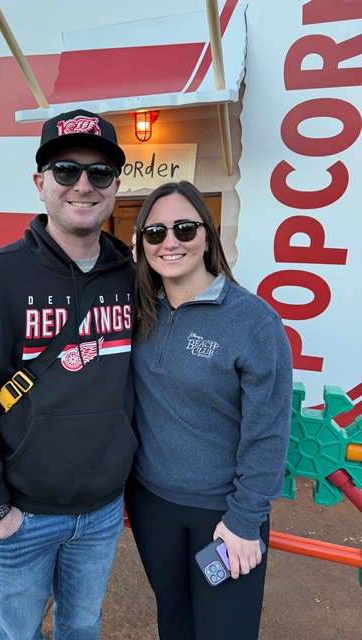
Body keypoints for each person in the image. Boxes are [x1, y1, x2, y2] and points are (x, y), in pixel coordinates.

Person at [0, 109, 137, 640]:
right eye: (66, 170)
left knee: (82, 627)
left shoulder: (134, 280)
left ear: (115, 187)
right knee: (18, 633)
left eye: (99, 173)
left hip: (102, 511)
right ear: (40, 183)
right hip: (21, 512)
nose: (83, 185)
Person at [125, 181, 293, 640]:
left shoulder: (253, 321)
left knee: (224, 630)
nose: (170, 242)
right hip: (152, 505)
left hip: (223, 514)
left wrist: (244, 519)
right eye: (155, 232)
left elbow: (268, 430)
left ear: (207, 234)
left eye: (184, 228)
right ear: (141, 244)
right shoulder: (139, 311)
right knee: (174, 619)